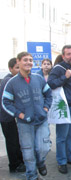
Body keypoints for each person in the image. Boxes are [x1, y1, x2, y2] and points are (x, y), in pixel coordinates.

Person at [2, 52, 52, 180]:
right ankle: (32, 176)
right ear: (18, 61)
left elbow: (48, 94)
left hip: (41, 120)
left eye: (30, 60)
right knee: (28, 151)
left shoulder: (39, 78)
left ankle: (40, 163)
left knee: (43, 147)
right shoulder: (12, 83)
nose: (29, 62)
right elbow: (6, 102)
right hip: (25, 124)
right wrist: (20, 115)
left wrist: (45, 108)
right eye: (25, 60)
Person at [48, 45, 71, 174]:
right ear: (63, 56)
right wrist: (65, 77)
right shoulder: (59, 68)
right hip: (65, 107)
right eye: (68, 54)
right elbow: (50, 84)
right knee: (62, 137)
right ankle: (61, 161)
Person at [0, 58, 25, 173]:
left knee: (15, 140)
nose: (19, 70)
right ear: (10, 69)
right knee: (12, 141)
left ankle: (19, 161)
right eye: (17, 68)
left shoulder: (12, 79)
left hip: (9, 116)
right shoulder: (8, 81)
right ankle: (14, 165)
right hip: (7, 116)